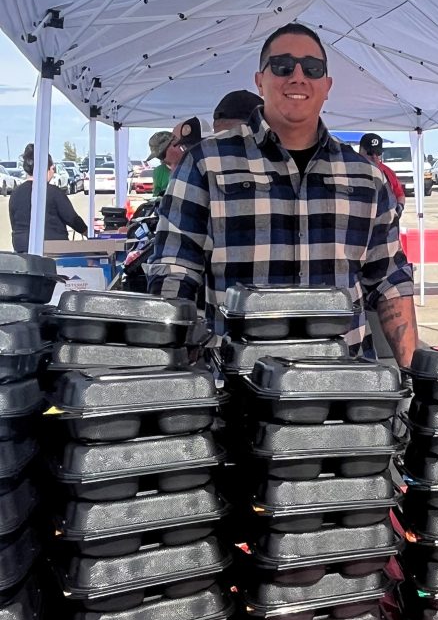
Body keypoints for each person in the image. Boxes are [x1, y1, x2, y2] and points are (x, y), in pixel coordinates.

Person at [147, 23, 417, 365]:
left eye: (313, 68)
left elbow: (390, 280)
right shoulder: (205, 164)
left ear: (327, 86)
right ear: (260, 80)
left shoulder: (366, 177)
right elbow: (175, 272)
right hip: (238, 390)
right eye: (283, 66)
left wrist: (412, 376)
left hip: (346, 391)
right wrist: (172, 372)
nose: (298, 76)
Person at [9, 144, 87, 253]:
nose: (53, 172)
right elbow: (72, 218)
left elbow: (14, 224)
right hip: (53, 248)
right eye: (52, 169)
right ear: (46, 169)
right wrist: (87, 232)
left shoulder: (15, 193)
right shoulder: (53, 192)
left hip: (22, 248)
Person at [359, 133, 405, 216]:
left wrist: (400, 206)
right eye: (369, 153)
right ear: (360, 150)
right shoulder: (351, 169)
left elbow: (399, 194)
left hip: (384, 221)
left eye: (378, 153)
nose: (374, 157)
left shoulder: (388, 171)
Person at [146, 131, 174, 199]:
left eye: (162, 154)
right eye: (158, 156)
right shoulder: (158, 171)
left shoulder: (188, 166)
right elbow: (156, 191)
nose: (161, 159)